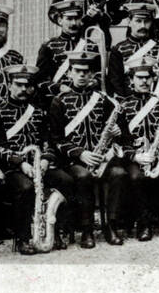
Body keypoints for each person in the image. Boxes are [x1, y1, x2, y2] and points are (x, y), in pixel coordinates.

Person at [0, 63, 71, 255]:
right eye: (19, 84)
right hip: (10, 167)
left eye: (28, 85)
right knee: (25, 187)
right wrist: (20, 163)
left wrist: (46, 160)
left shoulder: (39, 111)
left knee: (66, 180)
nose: (24, 89)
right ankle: (23, 239)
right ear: (9, 84)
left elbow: (47, 141)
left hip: (37, 164)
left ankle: (55, 231)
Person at [48, 50, 126, 247]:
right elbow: (56, 139)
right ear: (70, 73)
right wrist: (81, 153)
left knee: (118, 173)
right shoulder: (59, 102)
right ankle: (87, 229)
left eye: (86, 71)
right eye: (77, 71)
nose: (82, 75)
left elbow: (121, 131)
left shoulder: (104, 100)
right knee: (83, 177)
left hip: (102, 157)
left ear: (93, 75)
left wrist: (118, 131)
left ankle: (111, 226)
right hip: (75, 161)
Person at [120, 55, 159, 241]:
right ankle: (143, 224)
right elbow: (120, 141)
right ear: (131, 80)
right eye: (140, 78)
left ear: (153, 78)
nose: (145, 81)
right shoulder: (123, 106)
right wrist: (135, 157)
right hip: (137, 158)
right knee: (136, 177)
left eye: (148, 77)